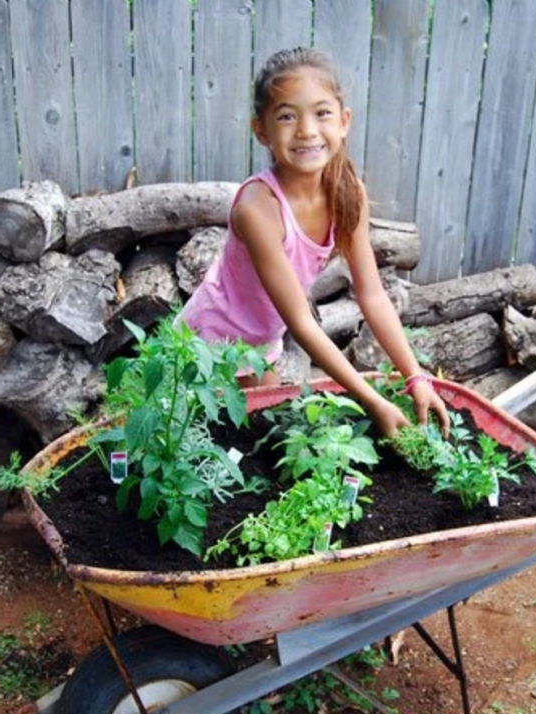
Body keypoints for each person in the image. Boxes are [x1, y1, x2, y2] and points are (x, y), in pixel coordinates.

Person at [179, 47, 449, 436]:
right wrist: (372, 400)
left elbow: (372, 296)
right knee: (198, 454)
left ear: (344, 121)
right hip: (204, 349)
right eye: (287, 116)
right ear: (261, 130)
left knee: (252, 453)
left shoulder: (346, 192)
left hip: (259, 350)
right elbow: (301, 322)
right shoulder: (258, 209)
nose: (306, 130)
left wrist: (415, 377)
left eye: (321, 113)